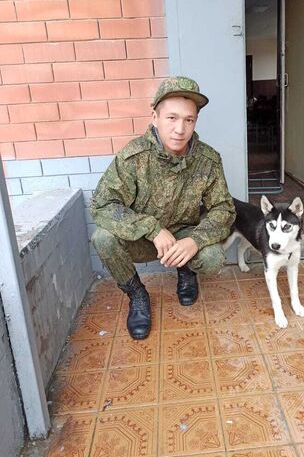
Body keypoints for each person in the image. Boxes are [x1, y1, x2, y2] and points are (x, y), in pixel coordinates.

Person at [91, 76, 236, 340]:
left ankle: (186, 270)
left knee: (213, 258)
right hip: (144, 240)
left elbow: (224, 209)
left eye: (189, 120)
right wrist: (152, 229)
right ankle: (137, 295)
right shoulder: (133, 157)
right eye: (171, 118)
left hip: (184, 237)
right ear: (155, 118)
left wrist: (195, 240)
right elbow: (103, 204)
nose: (180, 129)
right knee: (103, 238)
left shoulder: (208, 160)